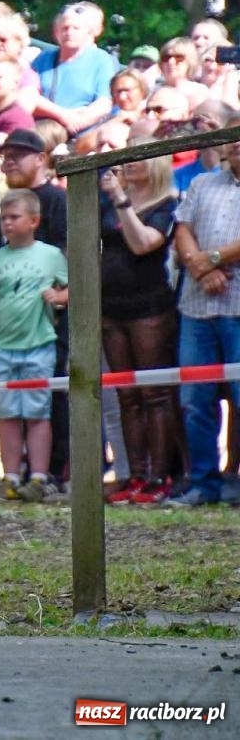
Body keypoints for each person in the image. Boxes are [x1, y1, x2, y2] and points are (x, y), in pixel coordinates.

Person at [0, 189, 70, 502]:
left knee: (38, 413)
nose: (7, 224)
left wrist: (60, 297)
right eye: (3, 219)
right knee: (8, 414)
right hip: (2, 347)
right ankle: (11, 476)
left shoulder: (51, 255)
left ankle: (39, 476)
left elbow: (75, 288)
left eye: (14, 217)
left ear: (34, 221)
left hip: (39, 343)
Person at [99, 146, 181, 505]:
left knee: (154, 393)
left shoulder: (167, 204)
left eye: (139, 158)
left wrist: (120, 200)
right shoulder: (110, 201)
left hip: (149, 307)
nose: (129, 164)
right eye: (127, 158)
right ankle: (134, 475)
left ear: (157, 163)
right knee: (126, 396)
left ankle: (160, 476)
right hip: (111, 308)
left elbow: (143, 243)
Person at [167, 127, 240, 507]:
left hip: (238, 307)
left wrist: (210, 259)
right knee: (195, 399)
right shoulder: (202, 184)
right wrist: (199, 267)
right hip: (197, 308)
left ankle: (234, 480)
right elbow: (182, 230)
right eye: (233, 137)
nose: (236, 144)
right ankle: (203, 484)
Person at [31, 1, 119, 135]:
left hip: (83, 136)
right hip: (44, 133)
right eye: (65, 28)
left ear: (87, 32)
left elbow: (104, 103)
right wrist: (64, 116)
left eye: (75, 28)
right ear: (56, 32)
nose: (69, 32)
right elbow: (28, 96)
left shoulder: (101, 59)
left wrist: (78, 122)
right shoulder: (43, 59)